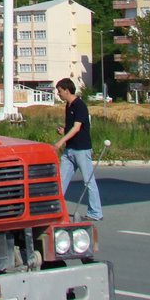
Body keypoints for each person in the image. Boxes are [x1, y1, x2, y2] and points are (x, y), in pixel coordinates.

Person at [54, 78, 103, 221]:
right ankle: (56, 210)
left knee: (88, 181)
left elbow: (77, 128)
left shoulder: (80, 105)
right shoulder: (68, 106)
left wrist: (60, 142)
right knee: (61, 180)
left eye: (60, 91)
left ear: (67, 90)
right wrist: (64, 131)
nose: (59, 94)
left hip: (81, 149)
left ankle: (96, 212)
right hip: (70, 150)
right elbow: (71, 127)